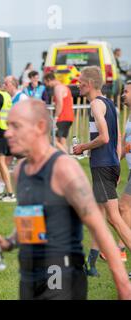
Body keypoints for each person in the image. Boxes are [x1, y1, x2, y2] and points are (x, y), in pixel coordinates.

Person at [0, 98, 131, 300]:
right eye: (8, 126)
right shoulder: (20, 172)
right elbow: (33, 222)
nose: (8, 133)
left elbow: (99, 229)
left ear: (40, 126)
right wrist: (7, 243)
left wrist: (123, 286)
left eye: (16, 126)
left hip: (61, 272)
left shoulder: (64, 169)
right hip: (30, 273)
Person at [73, 66, 131, 277]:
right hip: (110, 165)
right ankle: (91, 264)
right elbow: (115, 142)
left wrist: (82, 147)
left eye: (79, 81)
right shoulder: (108, 103)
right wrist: (115, 166)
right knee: (99, 215)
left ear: (88, 84)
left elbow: (105, 138)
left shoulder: (96, 105)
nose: (77, 84)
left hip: (102, 166)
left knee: (114, 218)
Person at [44, 72, 74, 153]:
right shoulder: (65, 87)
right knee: (62, 141)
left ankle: (67, 157)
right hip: (69, 117)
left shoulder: (57, 88)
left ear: (49, 80)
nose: (47, 85)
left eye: (46, 83)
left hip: (62, 117)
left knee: (52, 139)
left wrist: (56, 117)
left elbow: (60, 104)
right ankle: (66, 160)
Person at [119, 81, 131, 271]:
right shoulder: (129, 117)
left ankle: (122, 247)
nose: (123, 94)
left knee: (123, 206)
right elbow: (123, 141)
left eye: (127, 92)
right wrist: (116, 163)